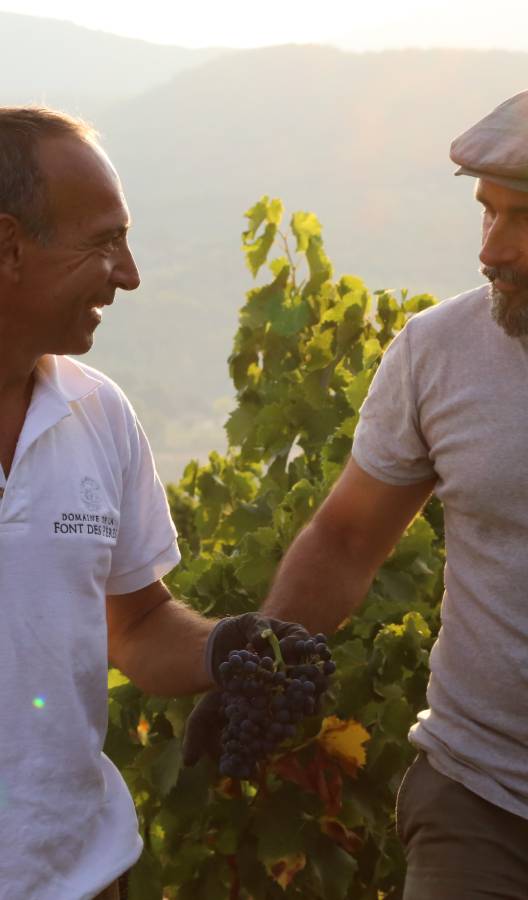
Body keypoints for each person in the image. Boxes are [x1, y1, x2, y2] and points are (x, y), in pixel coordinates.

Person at [257, 79, 528, 899]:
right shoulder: (438, 351)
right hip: (481, 802)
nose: (492, 248)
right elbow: (346, 539)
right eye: (487, 210)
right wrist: (258, 662)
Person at [0, 108, 308, 900]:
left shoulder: (97, 413)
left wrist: (224, 650)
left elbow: (132, 623)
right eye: (103, 241)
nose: (129, 273)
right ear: (6, 247)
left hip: (85, 874)